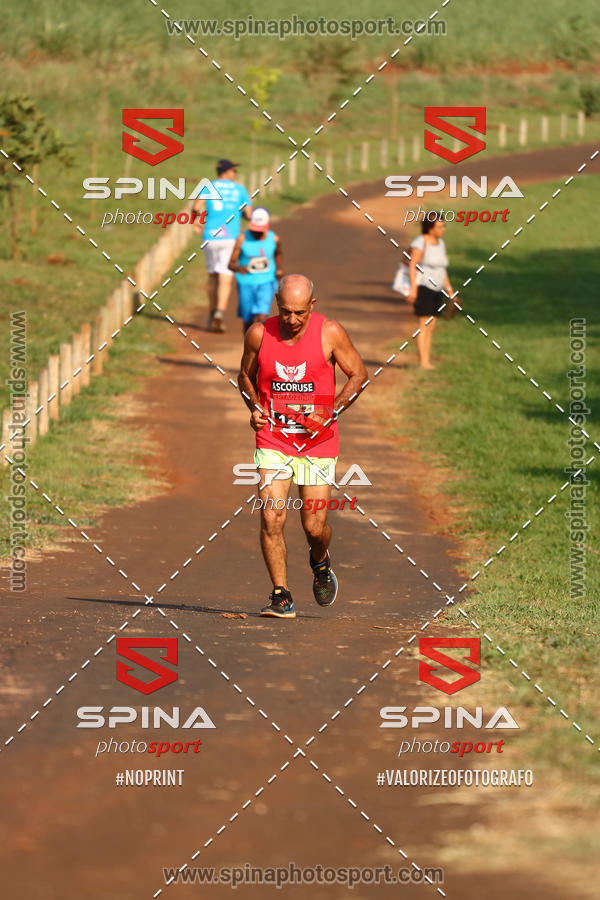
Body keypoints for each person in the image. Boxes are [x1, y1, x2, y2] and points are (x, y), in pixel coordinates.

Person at [238, 274, 367, 618]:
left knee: (313, 527)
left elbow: (358, 374)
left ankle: (320, 561)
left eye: (299, 313)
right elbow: (245, 377)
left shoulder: (330, 333)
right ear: (276, 304)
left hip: (317, 442)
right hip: (274, 439)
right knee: (271, 515)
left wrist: (333, 411)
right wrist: (253, 406)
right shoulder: (259, 334)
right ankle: (281, 596)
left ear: (313, 305)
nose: (292, 320)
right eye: (285, 312)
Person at [193, 159, 251, 333]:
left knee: (212, 276)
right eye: (233, 170)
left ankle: (212, 313)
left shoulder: (208, 186)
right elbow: (249, 214)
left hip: (210, 236)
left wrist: (195, 221)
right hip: (230, 236)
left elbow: (196, 207)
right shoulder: (239, 189)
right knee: (226, 276)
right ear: (227, 172)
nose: (235, 173)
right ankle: (219, 312)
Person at [407, 212, 454, 369]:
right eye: (440, 227)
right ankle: (423, 361)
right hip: (424, 287)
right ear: (430, 228)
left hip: (438, 288)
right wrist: (413, 289)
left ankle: (427, 359)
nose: (443, 229)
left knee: (432, 325)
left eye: (443, 226)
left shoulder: (441, 244)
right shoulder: (420, 242)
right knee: (424, 324)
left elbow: (443, 269)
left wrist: (449, 290)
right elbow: (413, 266)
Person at [228, 207, 283, 333]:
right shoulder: (242, 239)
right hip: (246, 283)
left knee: (262, 317)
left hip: (267, 281)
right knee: (248, 320)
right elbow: (230, 264)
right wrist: (238, 268)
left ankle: (260, 348)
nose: (257, 233)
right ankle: (248, 346)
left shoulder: (274, 239)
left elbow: (278, 254)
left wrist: (279, 269)